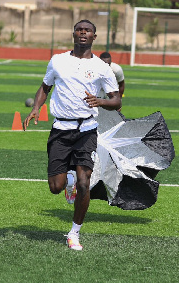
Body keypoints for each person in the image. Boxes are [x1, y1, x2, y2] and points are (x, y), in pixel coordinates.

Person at [23, 20, 121, 251]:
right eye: (79, 30)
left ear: (94, 37)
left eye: (87, 30)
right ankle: (67, 181)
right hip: (60, 129)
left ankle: (74, 233)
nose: (83, 33)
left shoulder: (102, 68)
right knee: (55, 187)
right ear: (74, 34)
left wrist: (101, 101)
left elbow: (116, 99)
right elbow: (45, 87)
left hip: (86, 130)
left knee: (84, 183)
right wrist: (36, 107)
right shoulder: (58, 60)